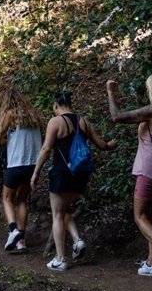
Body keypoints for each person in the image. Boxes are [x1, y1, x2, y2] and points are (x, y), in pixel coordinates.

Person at [106, 72, 152, 279]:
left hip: (149, 171)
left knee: (139, 216)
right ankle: (151, 262)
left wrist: (111, 93)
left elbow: (117, 117)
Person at [31, 92, 116, 271]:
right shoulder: (83, 121)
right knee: (64, 210)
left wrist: (36, 173)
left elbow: (46, 149)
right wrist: (110, 145)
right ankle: (77, 241)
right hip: (80, 174)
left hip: (62, 173)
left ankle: (60, 258)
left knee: (57, 215)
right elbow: (101, 145)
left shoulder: (55, 122)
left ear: (56, 105)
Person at [0, 88, 42, 253]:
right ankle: (21, 241)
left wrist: (5, 140)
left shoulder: (10, 115)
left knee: (7, 198)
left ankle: (13, 230)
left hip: (16, 163)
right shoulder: (34, 116)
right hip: (33, 165)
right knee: (22, 199)